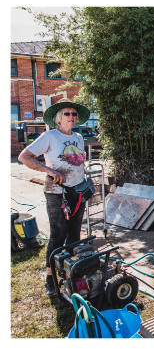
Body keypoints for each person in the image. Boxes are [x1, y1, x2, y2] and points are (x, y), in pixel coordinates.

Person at [18, 98, 90, 296]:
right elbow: (24, 157)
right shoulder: (50, 136)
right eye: (67, 114)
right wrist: (48, 169)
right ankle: (50, 278)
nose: (71, 117)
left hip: (77, 192)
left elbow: (78, 162)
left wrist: (83, 178)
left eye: (74, 114)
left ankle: (71, 274)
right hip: (56, 193)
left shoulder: (78, 137)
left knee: (75, 235)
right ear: (59, 118)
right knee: (58, 235)